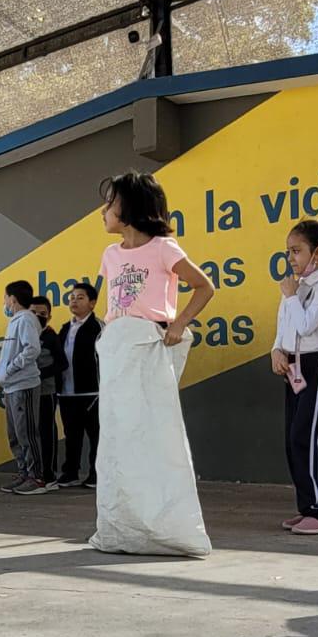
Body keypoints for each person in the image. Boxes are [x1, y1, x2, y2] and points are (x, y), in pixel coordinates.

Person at [89, 171, 215, 557]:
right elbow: (107, 303)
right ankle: (120, 529)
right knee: (116, 439)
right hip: (117, 347)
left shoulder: (164, 248)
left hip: (148, 344)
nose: (104, 211)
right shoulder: (110, 255)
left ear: (131, 207)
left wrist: (179, 324)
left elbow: (204, 286)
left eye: (111, 203)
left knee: (153, 435)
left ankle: (169, 528)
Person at [272, 218, 318, 535]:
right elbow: (285, 326)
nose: (291, 258)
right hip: (296, 365)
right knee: (294, 438)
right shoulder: (299, 287)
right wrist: (278, 349)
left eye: (297, 251)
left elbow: (305, 326)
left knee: (309, 436)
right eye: (289, 252)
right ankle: (307, 507)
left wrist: (290, 296)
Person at [0, 280, 45, 495]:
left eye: (5, 297)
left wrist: (11, 369)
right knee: (14, 435)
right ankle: (23, 472)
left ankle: (36, 478)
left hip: (24, 385)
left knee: (27, 434)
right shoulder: (15, 321)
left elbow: (31, 349)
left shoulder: (26, 319)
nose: (4, 302)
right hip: (11, 388)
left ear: (13, 299)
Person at [56, 282, 103, 489]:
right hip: (67, 393)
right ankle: (70, 472)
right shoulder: (65, 328)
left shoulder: (99, 327)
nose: (74, 300)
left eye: (80, 297)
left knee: (96, 436)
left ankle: (96, 474)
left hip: (93, 392)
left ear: (92, 303)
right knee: (71, 435)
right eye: (72, 297)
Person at [29, 296, 68, 490]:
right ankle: (33, 474)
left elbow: (62, 363)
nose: (37, 317)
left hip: (47, 391)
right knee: (31, 432)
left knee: (46, 431)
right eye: (33, 313)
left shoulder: (51, 336)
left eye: (42, 314)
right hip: (28, 391)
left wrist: (40, 374)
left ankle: (50, 475)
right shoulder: (25, 334)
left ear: (49, 316)